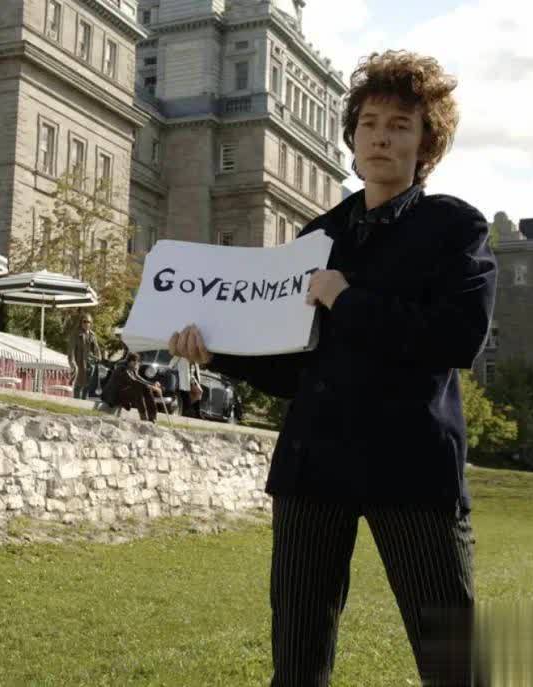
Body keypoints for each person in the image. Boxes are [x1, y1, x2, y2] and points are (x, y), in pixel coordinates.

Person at [170, 51, 495, 686]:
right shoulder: (317, 237)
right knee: (297, 664)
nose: (381, 137)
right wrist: (217, 351)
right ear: (352, 137)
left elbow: (458, 339)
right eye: (369, 123)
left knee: (451, 662)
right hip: (313, 466)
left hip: (411, 466)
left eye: (399, 125)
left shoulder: (455, 227)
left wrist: (348, 298)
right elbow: (293, 369)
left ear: (426, 142)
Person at [100, 352, 162, 422]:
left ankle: (152, 417)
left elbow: (140, 379)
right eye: (134, 362)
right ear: (129, 361)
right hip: (114, 396)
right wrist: (152, 387)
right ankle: (143, 417)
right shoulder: (122, 369)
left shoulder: (132, 369)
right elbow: (133, 381)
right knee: (138, 391)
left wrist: (153, 384)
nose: (136, 364)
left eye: (137, 362)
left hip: (122, 393)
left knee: (147, 389)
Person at [67, 312, 101, 400]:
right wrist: (72, 363)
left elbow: (97, 349)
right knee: (78, 386)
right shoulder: (76, 334)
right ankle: (76, 404)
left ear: (91, 323)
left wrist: (98, 358)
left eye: (88, 322)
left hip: (90, 365)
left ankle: (84, 403)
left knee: (87, 386)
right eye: (84, 321)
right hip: (79, 363)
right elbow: (71, 351)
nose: (86, 323)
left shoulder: (92, 335)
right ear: (81, 323)